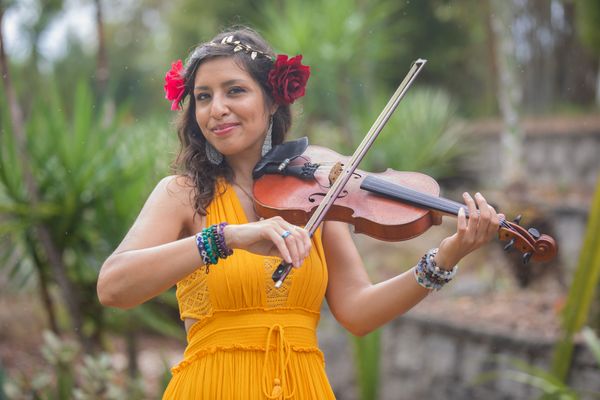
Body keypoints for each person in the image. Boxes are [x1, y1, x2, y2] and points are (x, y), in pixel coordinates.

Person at [97, 26, 501, 399]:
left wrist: (444, 259)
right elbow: (113, 287)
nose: (216, 108)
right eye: (203, 96)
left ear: (272, 100)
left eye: (234, 91)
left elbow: (358, 312)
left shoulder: (317, 196)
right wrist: (226, 237)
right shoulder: (183, 194)